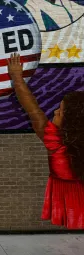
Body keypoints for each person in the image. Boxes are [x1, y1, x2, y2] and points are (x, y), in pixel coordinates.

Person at [7, 53, 84, 229]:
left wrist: (17, 78)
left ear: (72, 120)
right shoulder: (55, 140)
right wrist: (17, 79)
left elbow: (32, 109)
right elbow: (31, 107)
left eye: (61, 111)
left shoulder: (54, 143)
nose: (55, 112)